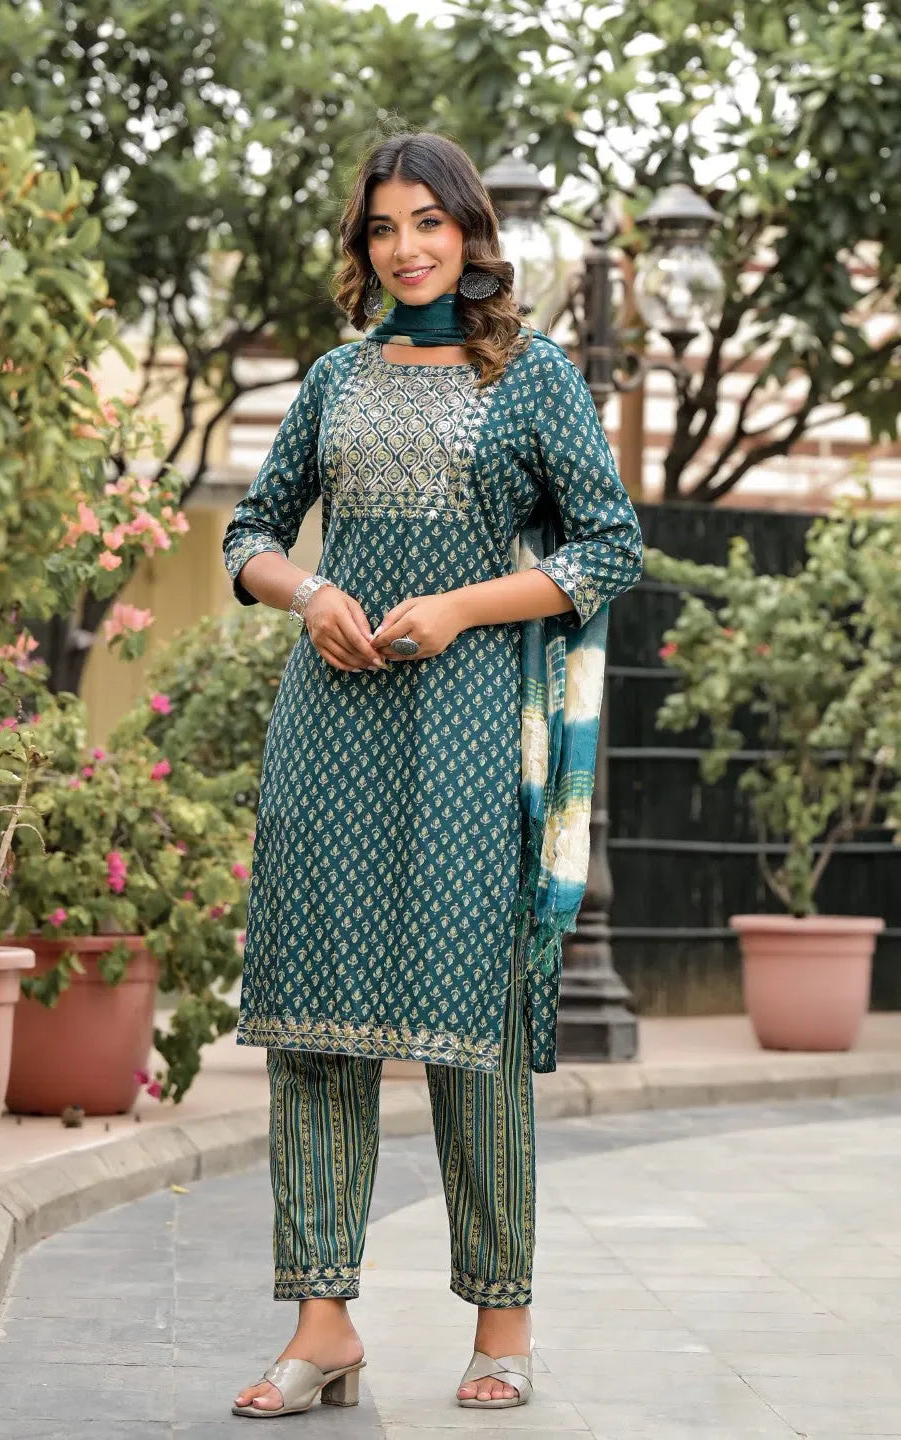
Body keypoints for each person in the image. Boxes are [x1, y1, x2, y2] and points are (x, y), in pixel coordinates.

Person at [222, 130, 642, 1420]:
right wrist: (310, 593)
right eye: (383, 227)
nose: (405, 248)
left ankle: (502, 1321)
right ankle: (323, 1325)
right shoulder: (336, 379)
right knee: (314, 1027)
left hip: (468, 734)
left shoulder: (532, 376)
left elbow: (609, 546)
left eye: (428, 223)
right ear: (364, 246)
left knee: (473, 1032)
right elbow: (249, 533)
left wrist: (462, 606)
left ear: (469, 233)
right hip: (330, 730)